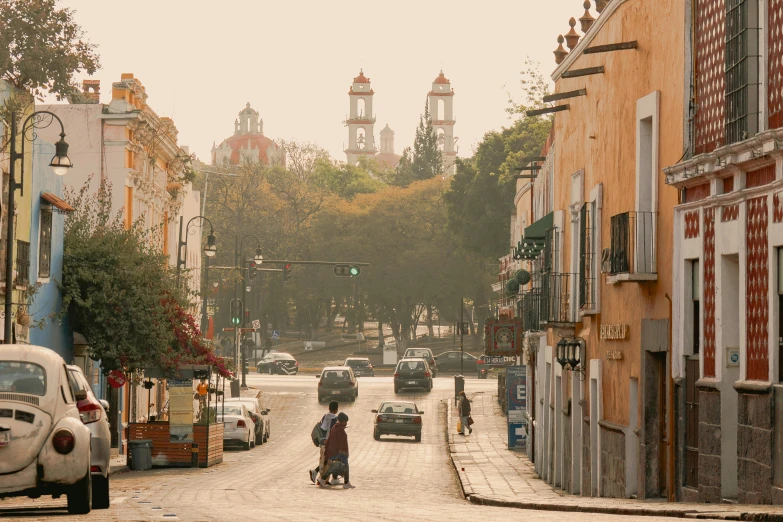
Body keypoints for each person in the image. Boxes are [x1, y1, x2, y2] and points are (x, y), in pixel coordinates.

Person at [318, 412, 354, 489]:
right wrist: (343, 453)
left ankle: (323, 479)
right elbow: (341, 442)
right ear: (342, 421)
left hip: (333, 451)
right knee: (344, 465)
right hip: (337, 452)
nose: (346, 423)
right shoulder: (339, 429)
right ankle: (346, 482)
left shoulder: (335, 427)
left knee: (337, 466)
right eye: (345, 421)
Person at [310, 401, 339, 483]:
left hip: (322, 441)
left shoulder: (325, 416)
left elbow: (323, 428)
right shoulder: (335, 419)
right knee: (328, 461)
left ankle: (318, 475)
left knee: (324, 460)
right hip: (329, 442)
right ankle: (323, 478)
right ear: (336, 409)